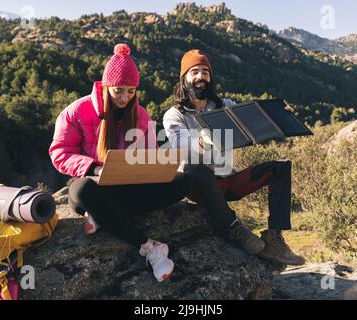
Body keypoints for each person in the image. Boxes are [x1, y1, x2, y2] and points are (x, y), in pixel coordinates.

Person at [49, 44, 266, 282]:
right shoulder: (77, 111)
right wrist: (94, 168)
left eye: (131, 92)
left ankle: (103, 214)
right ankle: (150, 248)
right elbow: (60, 152)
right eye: (119, 91)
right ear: (106, 86)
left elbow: (150, 156)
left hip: (127, 187)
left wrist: (153, 168)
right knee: (82, 191)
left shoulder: (140, 115)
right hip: (93, 182)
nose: (124, 98)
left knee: (182, 182)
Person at [162, 49, 305, 266]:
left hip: (228, 181)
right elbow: (180, 147)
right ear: (184, 79)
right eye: (194, 72)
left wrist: (280, 115)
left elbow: (253, 121)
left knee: (280, 168)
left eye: (205, 72)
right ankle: (232, 227)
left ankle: (274, 238)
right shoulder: (175, 114)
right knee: (194, 168)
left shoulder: (225, 106)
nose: (201, 77)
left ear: (211, 78)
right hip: (197, 187)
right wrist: (201, 141)